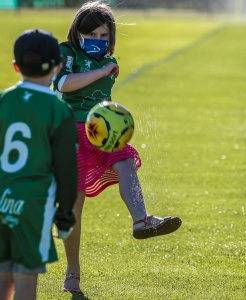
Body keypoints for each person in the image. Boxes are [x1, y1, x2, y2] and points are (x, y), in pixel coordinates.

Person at [53, 0, 182, 293]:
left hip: (101, 132)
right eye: (92, 35)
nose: (99, 41)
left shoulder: (108, 61)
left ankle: (142, 221)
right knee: (75, 206)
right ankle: (73, 271)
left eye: (104, 36)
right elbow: (62, 84)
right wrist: (102, 72)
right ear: (77, 32)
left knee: (125, 162)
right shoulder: (68, 51)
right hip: (70, 133)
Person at [0, 29, 78, 300]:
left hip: (1, 197)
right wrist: (65, 216)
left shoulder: (3, 99)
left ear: (16, 66)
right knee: (24, 274)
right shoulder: (59, 110)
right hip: (33, 203)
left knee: (2, 272)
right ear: (57, 67)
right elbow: (67, 171)